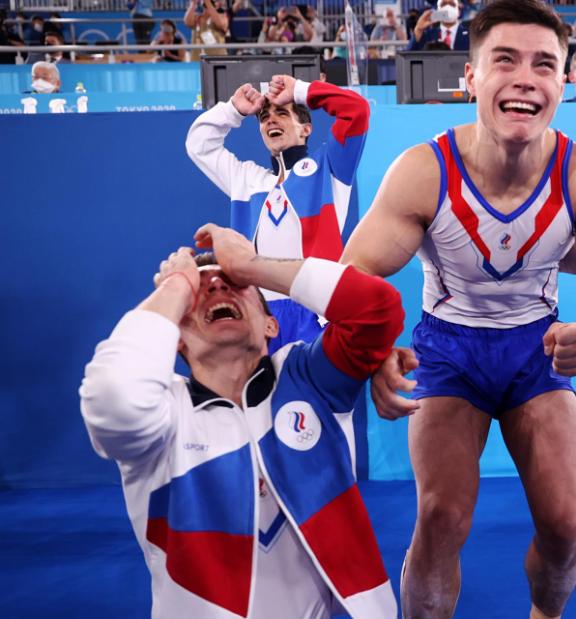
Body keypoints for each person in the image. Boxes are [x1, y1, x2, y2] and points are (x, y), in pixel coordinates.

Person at [342, 1, 576, 617]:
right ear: (472, 78)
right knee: (441, 516)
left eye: (544, 65)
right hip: (448, 351)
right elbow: (355, 276)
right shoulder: (424, 171)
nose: (525, 79)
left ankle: (545, 615)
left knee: (566, 525)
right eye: (504, 61)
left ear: (563, 81)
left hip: (536, 351)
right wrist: (375, 354)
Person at [79, 223, 403, 618]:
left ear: (271, 325)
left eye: (235, 283)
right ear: (176, 338)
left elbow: (378, 310)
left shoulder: (307, 378)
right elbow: (114, 400)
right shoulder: (164, 415)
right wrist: (176, 285)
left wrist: (254, 265)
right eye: (201, 290)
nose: (217, 287)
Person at [185, 74, 370, 352]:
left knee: (314, 395)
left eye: (282, 113)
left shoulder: (328, 169)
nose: (270, 120)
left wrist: (301, 92)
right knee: (261, 395)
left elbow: (356, 111)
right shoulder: (246, 179)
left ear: (306, 129)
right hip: (259, 315)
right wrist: (232, 111)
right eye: (263, 117)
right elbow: (199, 145)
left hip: (316, 311)